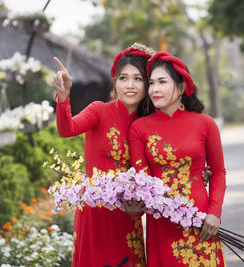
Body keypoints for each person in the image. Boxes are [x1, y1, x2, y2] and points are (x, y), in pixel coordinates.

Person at [52, 43, 155, 267]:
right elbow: (67, 129)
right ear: (115, 81)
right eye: (123, 78)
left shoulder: (149, 123)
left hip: (128, 216)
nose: (130, 85)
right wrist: (63, 96)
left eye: (138, 79)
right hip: (95, 215)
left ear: (147, 84)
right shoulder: (99, 110)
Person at [128, 51, 227, 266]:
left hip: (202, 223)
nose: (154, 89)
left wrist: (215, 214)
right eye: (151, 83)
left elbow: (218, 172)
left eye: (162, 82)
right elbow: (141, 180)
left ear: (181, 87)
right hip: (162, 225)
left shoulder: (205, 124)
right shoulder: (139, 128)